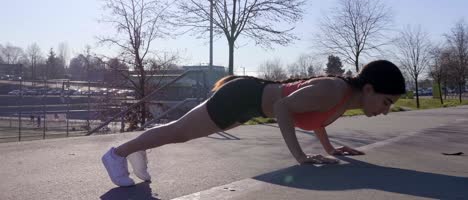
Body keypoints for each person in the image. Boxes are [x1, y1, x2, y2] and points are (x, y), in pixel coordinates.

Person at [102, 60, 406, 187]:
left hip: (248, 104)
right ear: (369, 89)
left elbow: (316, 118)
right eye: (386, 102)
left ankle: (135, 150)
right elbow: (284, 107)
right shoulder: (335, 89)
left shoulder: (343, 99)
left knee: (178, 131)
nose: (386, 110)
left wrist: (331, 149)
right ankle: (117, 154)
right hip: (241, 98)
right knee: (180, 132)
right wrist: (300, 157)